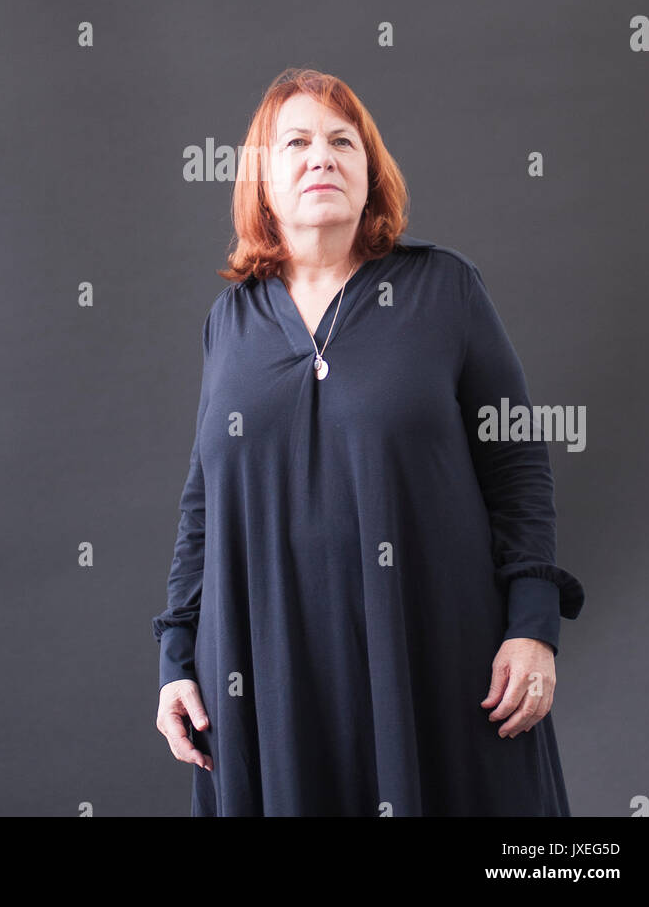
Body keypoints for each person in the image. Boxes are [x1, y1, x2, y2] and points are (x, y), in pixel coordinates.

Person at [152, 66, 585, 817]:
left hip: (433, 656)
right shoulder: (229, 322)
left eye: (341, 141)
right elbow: (203, 506)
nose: (320, 157)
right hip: (267, 676)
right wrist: (175, 659)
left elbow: (516, 464)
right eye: (296, 143)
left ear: (369, 172)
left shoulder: (444, 289)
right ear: (261, 182)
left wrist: (532, 629)